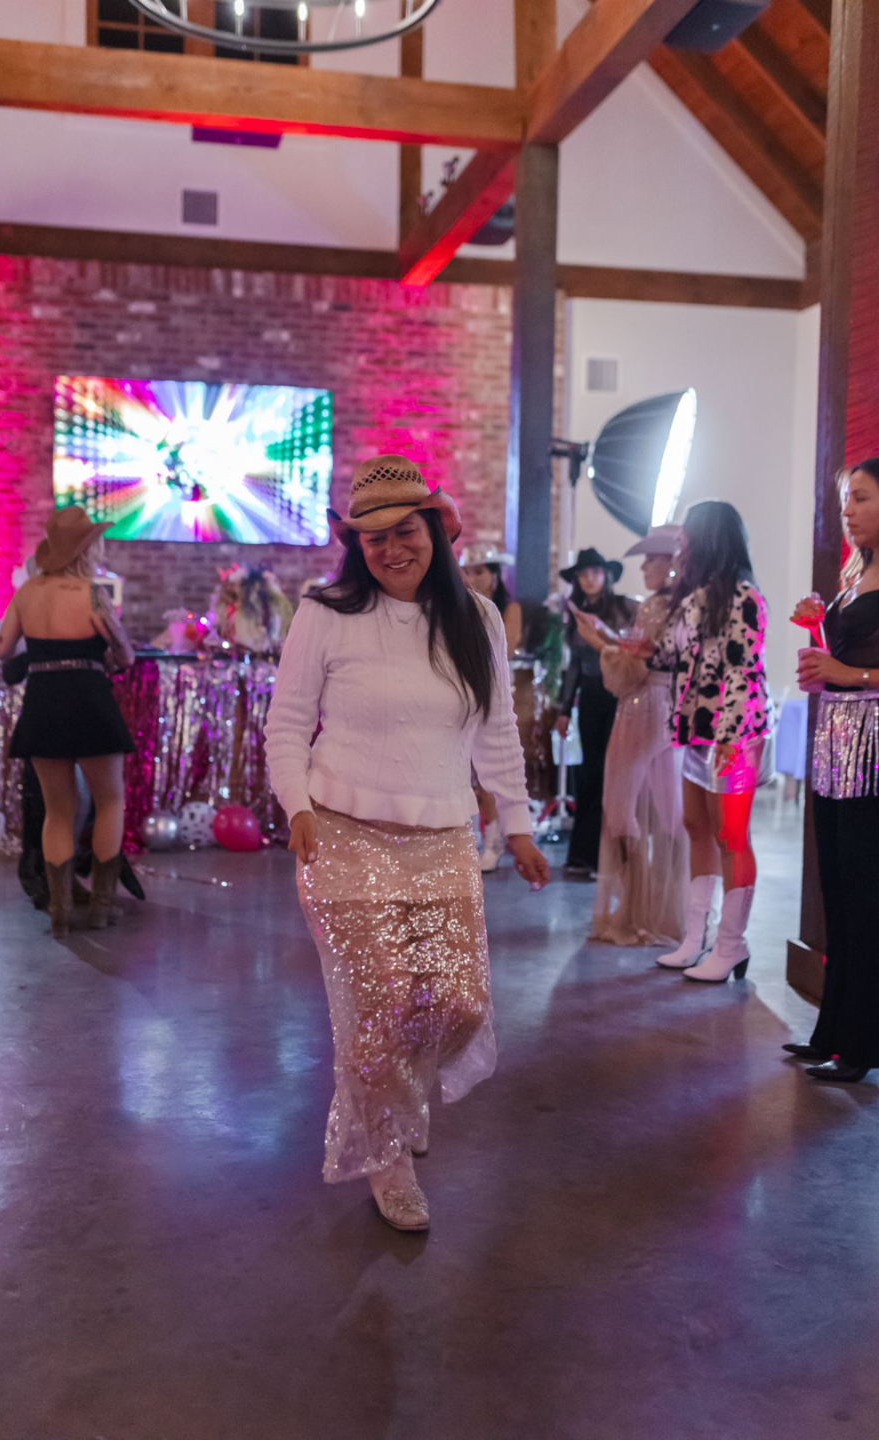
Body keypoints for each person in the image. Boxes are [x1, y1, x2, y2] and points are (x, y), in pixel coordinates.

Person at [265, 456, 550, 1233]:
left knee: (458, 1005)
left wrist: (518, 826)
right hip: (343, 833)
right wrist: (297, 806)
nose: (391, 549)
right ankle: (387, 1158)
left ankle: (392, 1093)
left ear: (436, 530)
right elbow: (287, 723)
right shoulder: (325, 612)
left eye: (405, 531)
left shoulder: (477, 619)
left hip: (444, 834)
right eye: (374, 537)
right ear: (355, 545)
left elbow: (496, 732)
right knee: (379, 1005)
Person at [0, 506, 136, 937]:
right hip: (90, 701)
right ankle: (102, 907)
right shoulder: (92, 593)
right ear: (85, 549)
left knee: (57, 811)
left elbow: (0, 650)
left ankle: (60, 911)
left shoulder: (27, 592)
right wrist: (108, 655)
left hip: (43, 703)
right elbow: (125, 655)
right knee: (110, 801)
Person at [652, 501, 774, 982]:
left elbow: (744, 669)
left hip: (734, 734)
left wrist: (730, 734)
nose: (680, 542)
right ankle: (695, 938)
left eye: (687, 533)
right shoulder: (692, 596)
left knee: (731, 835)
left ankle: (731, 945)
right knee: (696, 825)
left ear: (709, 538)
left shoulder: (744, 596)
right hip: (697, 731)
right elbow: (668, 656)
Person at [787, 459, 879, 1083]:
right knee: (840, 895)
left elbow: (859, 668)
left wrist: (848, 673)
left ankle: (860, 1044)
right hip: (837, 746)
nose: (847, 511)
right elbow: (845, 658)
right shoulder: (856, 572)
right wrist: (818, 631)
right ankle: (834, 1031)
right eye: (846, 499)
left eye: (862, 498)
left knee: (866, 895)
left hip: (873, 750)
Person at [573, 526, 687, 945]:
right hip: (667, 708)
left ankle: (636, 909)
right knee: (671, 813)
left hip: (642, 708)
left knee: (621, 808)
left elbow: (637, 666)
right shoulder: (682, 606)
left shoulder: (660, 606)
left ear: (672, 564)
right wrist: (607, 637)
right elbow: (642, 654)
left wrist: (599, 643)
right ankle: (665, 911)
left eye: (651, 560)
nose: (644, 568)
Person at [555, 548, 637, 877]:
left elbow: (632, 651)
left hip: (619, 695)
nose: (589, 579)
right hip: (590, 697)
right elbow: (574, 667)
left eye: (595, 572)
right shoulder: (576, 616)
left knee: (612, 773)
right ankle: (582, 855)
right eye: (583, 574)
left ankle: (610, 857)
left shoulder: (624, 607)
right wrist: (563, 709)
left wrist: (603, 632)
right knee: (589, 774)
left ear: (606, 576)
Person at [459, 543, 522, 872]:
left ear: (495, 576)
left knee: (488, 776)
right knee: (465, 774)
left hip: (494, 692)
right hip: (463, 692)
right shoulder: (459, 605)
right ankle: (472, 840)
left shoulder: (507, 609)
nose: (473, 576)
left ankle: (495, 840)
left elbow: (505, 651)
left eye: (480, 571)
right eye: (469, 570)